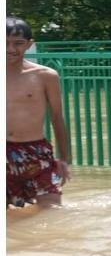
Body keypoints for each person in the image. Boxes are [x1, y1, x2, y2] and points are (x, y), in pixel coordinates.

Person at [7, 17, 71, 209]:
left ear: (29, 44)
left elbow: (57, 118)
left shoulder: (45, 76)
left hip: (36, 153)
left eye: (18, 43)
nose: (10, 49)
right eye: (5, 43)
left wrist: (64, 159)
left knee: (52, 210)